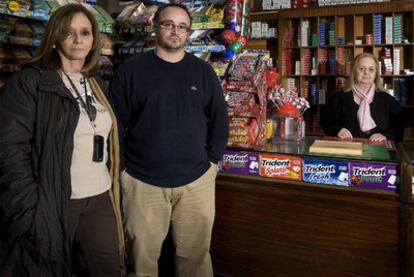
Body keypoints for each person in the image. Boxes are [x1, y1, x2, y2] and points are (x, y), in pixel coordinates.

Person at [0, 4, 124, 276]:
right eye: (69, 32)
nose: (78, 40)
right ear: (54, 37)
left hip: (99, 195)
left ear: (94, 39)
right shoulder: (30, 82)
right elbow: (9, 150)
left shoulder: (96, 83)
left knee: (110, 268)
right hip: (54, 198)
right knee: (47, 267)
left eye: (85, 32)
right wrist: (28, 208)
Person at [110, 3, 229, 277]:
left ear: (188, 33)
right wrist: (125, 171)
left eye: (182, 26)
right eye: (169, 24)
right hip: (142, 183)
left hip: (196, 182)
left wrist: (212, 162)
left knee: (196, 261)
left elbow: (220, 121)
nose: (176, 31)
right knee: (141, 261)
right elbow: (115, 125)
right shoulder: (131, 71)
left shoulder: (203, 72)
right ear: (155, 27)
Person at [322, 52, 403, 142]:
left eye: (371, 69)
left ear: (376, 73)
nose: (366, 73)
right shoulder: (338, 98)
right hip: (348, 151)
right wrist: (337, 130)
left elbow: (399, 128)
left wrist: (385, 135)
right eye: (361, 69)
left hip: (378, 152)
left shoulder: (388, 100)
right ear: (354, 71)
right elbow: (326, 122)